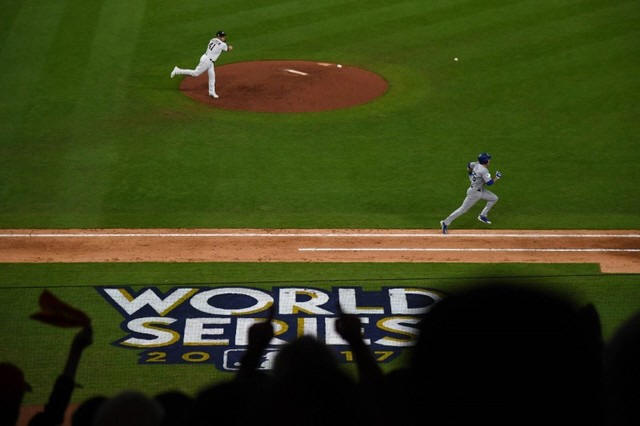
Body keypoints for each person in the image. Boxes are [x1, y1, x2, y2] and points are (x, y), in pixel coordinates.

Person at [440, 152, 502, 234]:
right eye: (488, 159)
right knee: (463, 210)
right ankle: (445, 222)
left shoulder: (476, 164)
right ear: (485, 161)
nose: (489, 160)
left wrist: (470, 175)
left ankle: (482, 215)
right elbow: (489, 183)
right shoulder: (484, 170)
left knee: (494, 198)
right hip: (474, 193)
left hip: (480, 190)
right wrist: (497, 177)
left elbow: (469, 165)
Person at [170, 30, 233, 98]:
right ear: (218, 37)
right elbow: (228, 49)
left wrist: (223, 44)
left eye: (224, 36)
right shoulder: (223, 45)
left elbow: (217, 47)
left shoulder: (212, 39)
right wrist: (230, 47)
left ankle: (211, 92)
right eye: (222, 36)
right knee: (195, 73)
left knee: (212, 76)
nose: (224, 37)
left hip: (207, 59)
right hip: (207, 61)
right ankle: (177, 71)